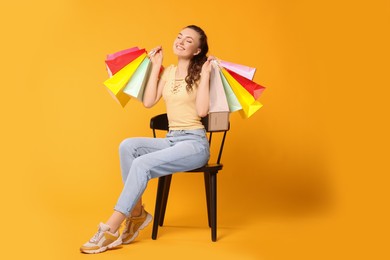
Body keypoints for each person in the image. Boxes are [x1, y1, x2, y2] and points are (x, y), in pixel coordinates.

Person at [80, 25, 214, 254]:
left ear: (197, 50)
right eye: (179, 36)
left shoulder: (203, 72)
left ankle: (112, 227)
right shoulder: (169, 72)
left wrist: (207, 75)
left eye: (188, 40)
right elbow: (149, 101)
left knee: (142, 163)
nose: (181, 41)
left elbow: (202, 111)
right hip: (172, 140)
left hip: (194, 144)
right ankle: (137, 214)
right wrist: (154, 67)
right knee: (127, 147)